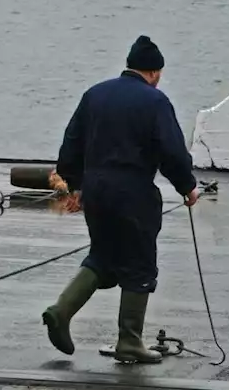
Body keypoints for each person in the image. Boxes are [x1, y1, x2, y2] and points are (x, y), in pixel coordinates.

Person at [41, 35, 199, 365]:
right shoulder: (155, 102)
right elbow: (171, 151)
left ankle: (61, 310)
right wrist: (187, 186)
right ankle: (129, 342)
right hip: (133, 194)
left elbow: (71, 142)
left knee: (103, 256)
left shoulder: (95, 94)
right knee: (139, 263)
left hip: (96, 192)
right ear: (154, 72)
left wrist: (74, 183)